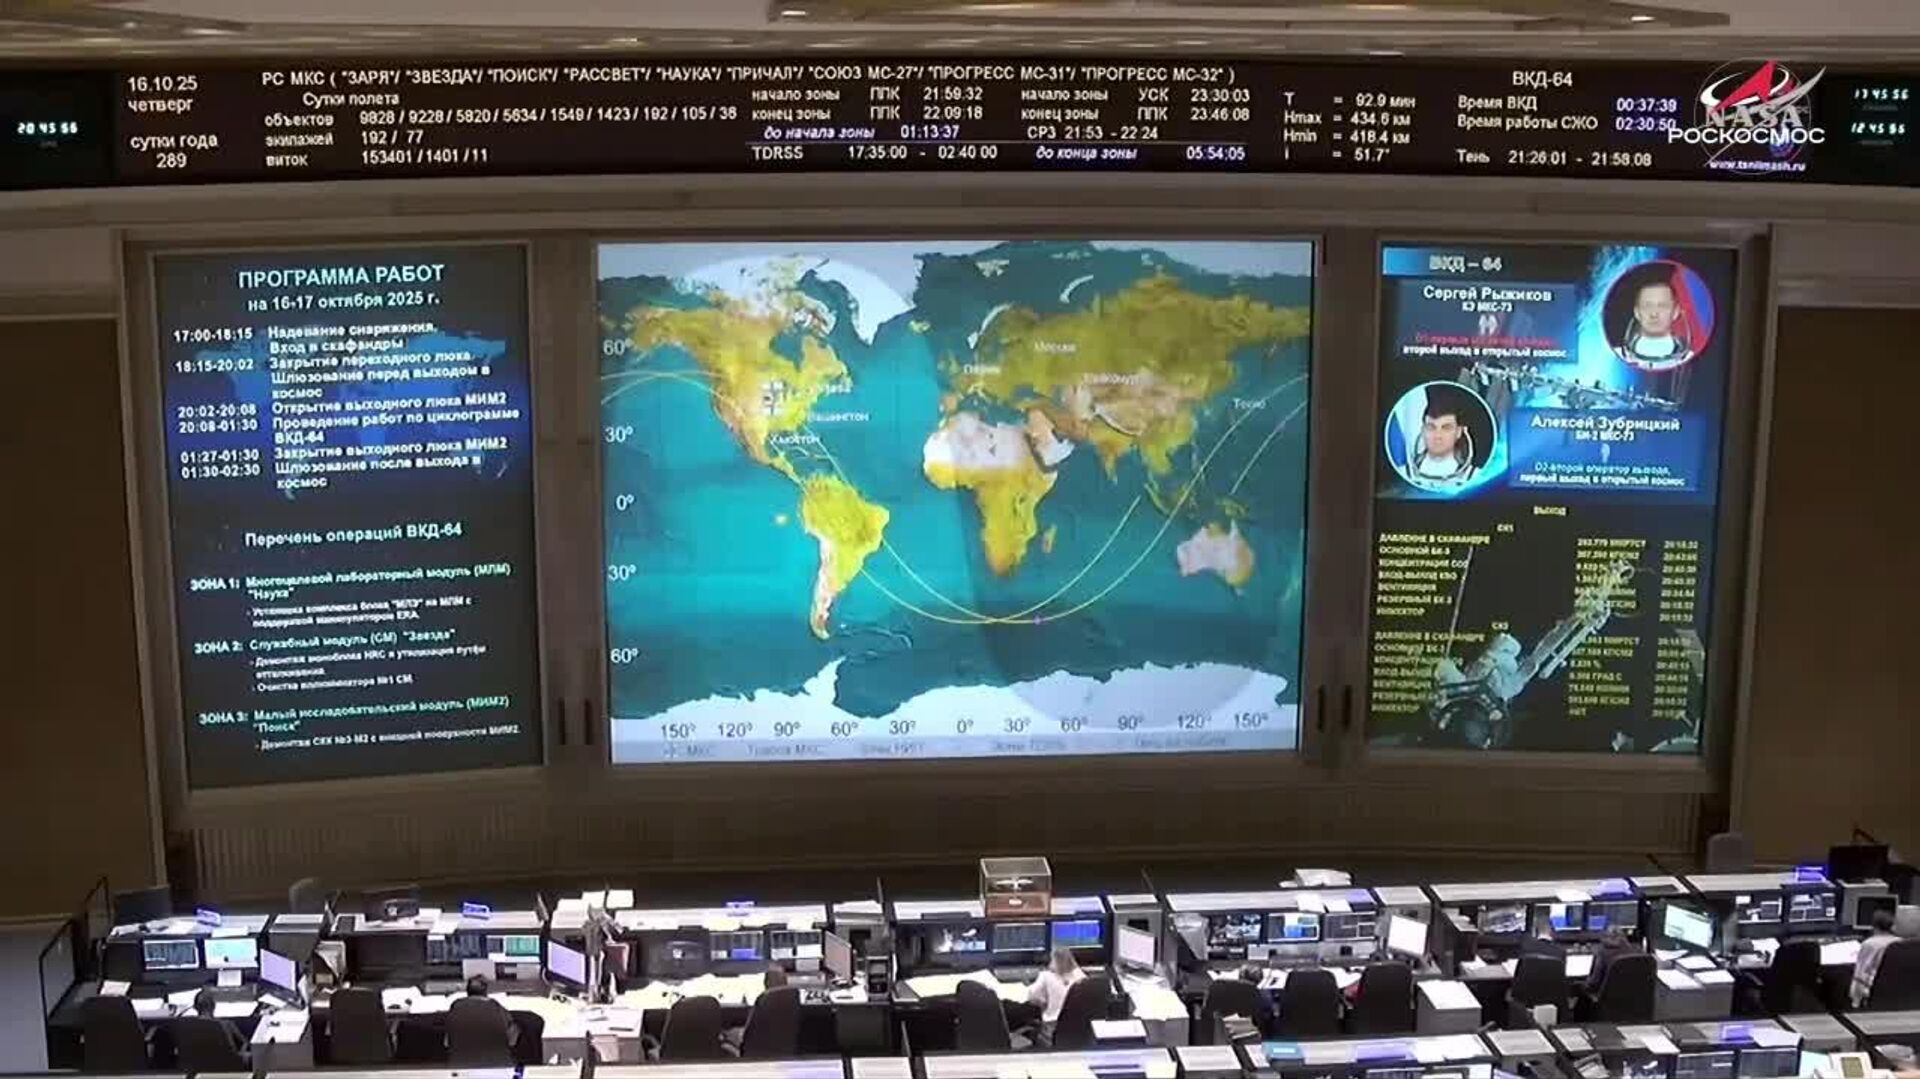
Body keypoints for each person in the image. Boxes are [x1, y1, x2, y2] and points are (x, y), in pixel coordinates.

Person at [1405, 384, 1478, 488]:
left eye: (1446, 428)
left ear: (1459, 432)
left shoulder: (1478, 478)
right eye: (1431, 427)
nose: (1437, 435)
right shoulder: (1403, 473)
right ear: (1423, 430)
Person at [1615, 278, 1695, 369]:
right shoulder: (1615, 357)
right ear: (1636, 312)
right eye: (1647, 306)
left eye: (1662, 306)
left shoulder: (1691, 360)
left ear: (1676, 312)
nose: (1654, 314)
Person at [1026, 947, 1086, 1031]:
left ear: (1053, 960)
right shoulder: (1081, 976)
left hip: (1052, 1025)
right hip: (1077, 1025)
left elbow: (1032, 997)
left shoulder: (1046, 976)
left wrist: (1044, 1003)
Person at [1851, 908, 1900, 1006]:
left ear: (1874, 926)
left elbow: (1860, 974)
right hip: (1900, 994)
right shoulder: (1900, 942)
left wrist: (1855, 1002)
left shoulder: (1869, 944)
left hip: (1874, 993)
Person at [190, 989, 249, 1059]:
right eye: (205, 1004)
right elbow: (245, 1042)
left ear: (196, 1007)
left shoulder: (189, 1026)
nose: (207, 1006)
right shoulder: (226, 1024)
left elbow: (244, 1042)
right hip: (227, 1059)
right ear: (214, 1006)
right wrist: (241, 1054)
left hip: (207, 1060)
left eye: (207, 1003)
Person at [1586, 927, 1638, 992]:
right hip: (1632, 994)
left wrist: (1584, 983)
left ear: (1605, 938)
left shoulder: (1602, 953)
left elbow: (1594, 982)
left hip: (1608, 995)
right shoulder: (1636, 952)